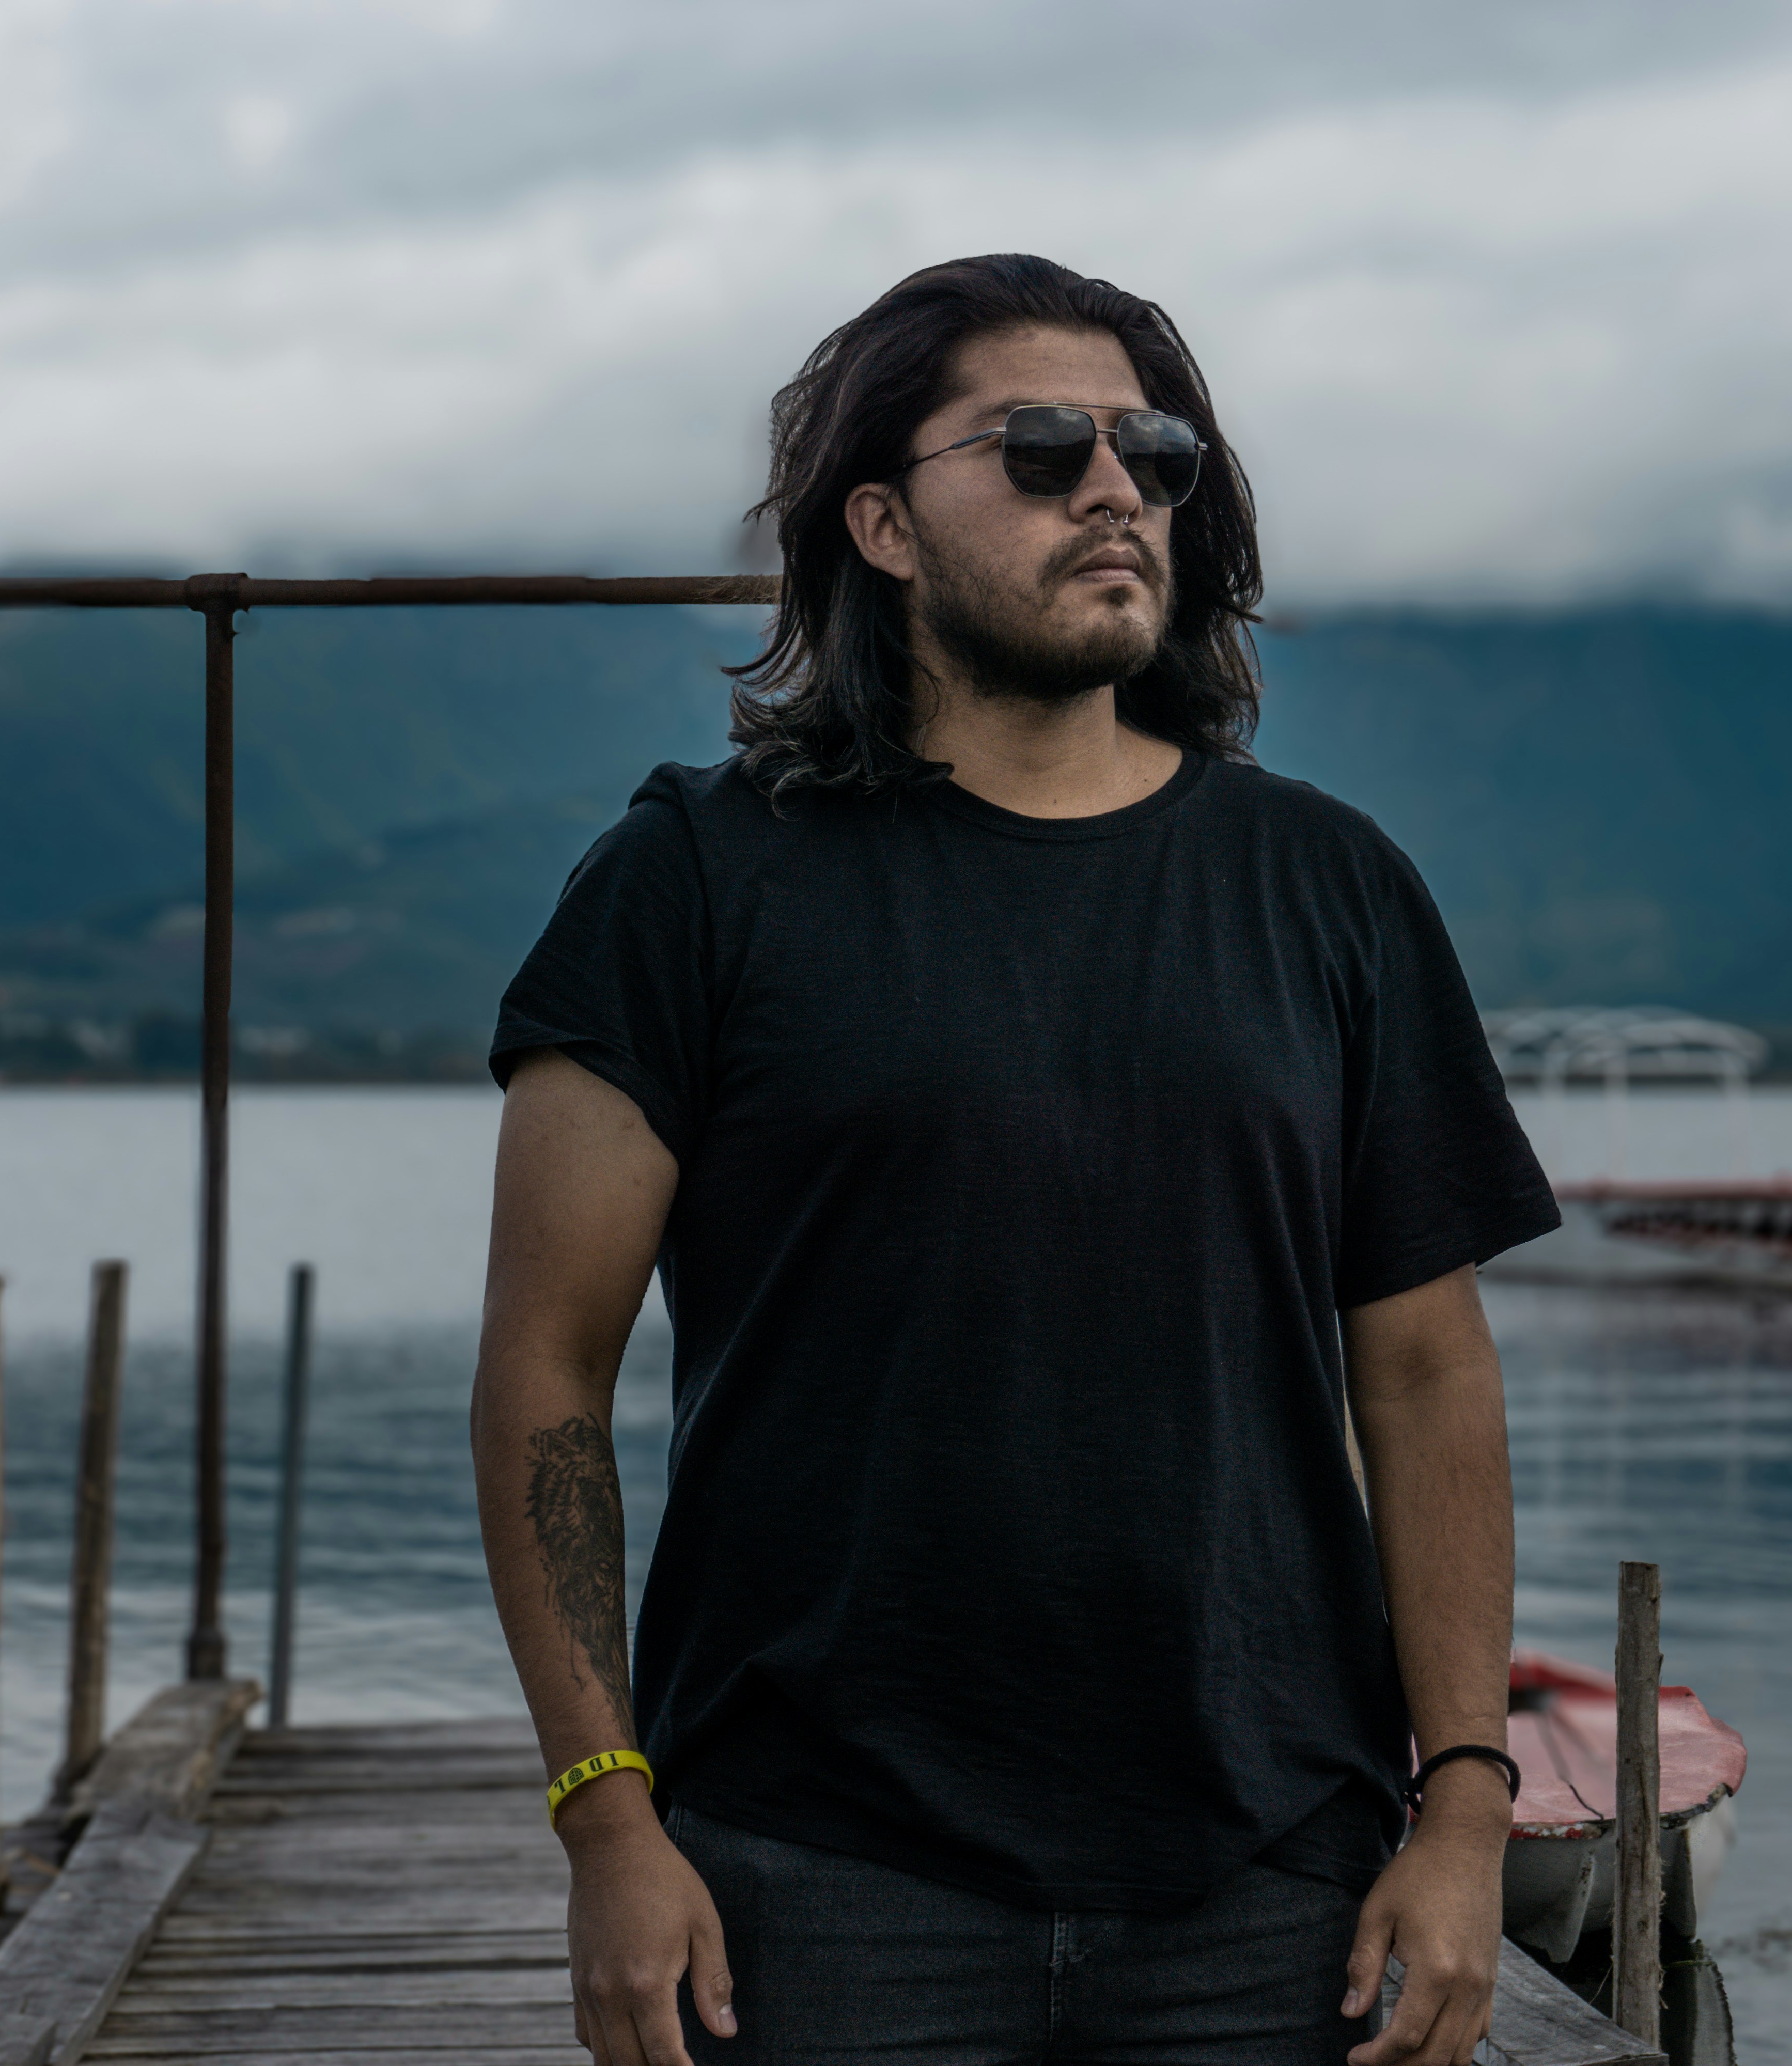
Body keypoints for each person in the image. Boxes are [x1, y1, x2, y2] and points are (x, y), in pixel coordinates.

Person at [470, 253, 1560, 2066]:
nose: (1117, 488)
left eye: (1155, 452)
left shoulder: (1329, 887)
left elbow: (1430, 1371)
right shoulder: (693, 882)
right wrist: (605, 1816)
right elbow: (545, 1371)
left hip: (1268, 1880)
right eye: (1044, 449)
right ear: (883, 526)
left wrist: (1461, 1805)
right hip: (813, 1878)